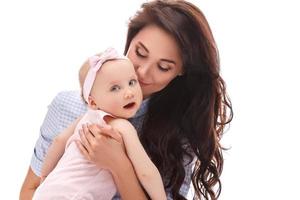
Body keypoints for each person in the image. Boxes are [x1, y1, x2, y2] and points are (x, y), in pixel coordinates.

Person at [20, 1, 233, 200]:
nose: (142, 72)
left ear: (181, 71)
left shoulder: (177, 135)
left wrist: (119, 164)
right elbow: (31, 189)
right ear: (129, 40)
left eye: (163, 67)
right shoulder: (68, 105)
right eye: (140, 53)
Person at [32, 48, 166, 200]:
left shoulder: (86, 118)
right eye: (115, 88)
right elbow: (146, 173)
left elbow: (59, 141)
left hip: (48, 191)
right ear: (92, 101)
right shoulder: (121, 126)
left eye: (131, 82)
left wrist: (45, 176)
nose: (129, 92)